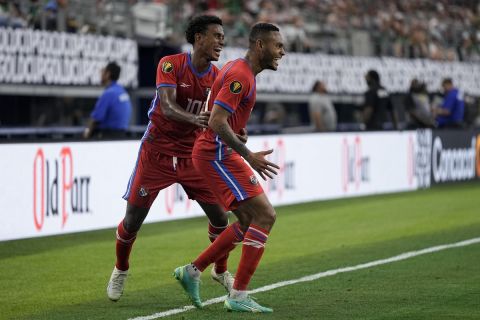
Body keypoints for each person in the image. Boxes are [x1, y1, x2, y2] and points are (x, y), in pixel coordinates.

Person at [106, 15, 244, 302]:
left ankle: (220, 270)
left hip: (192, 155)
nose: (221, 41)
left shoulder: (218, 77)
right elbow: (167, 107)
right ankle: (121, 268)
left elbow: (221, 117)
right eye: (216, 35)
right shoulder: (170, 64)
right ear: (198, 38)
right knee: (132, 221)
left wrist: (235, 133)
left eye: (223, 36)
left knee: (221, 218)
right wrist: (198, 119)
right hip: (157, 152)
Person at [173, 22, 285, 313]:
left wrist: (239, 131)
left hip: (218, 151)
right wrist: (249, 154)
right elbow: (216, 121)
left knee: (251, 220)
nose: (282, 52)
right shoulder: (240, 75)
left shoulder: (241, 71)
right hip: (215, 154)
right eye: (278, 46)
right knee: (265, 215)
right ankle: (237, 295)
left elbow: (222, 117)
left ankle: (193, 271)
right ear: (260, 45)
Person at [83, 62, 132, 139]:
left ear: (107, 74)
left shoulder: (109, 93)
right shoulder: (123, 92)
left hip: (108, 137)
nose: (100, 74)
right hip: (122, 137)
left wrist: (86, 134)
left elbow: (96, 119)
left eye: (103, 71)